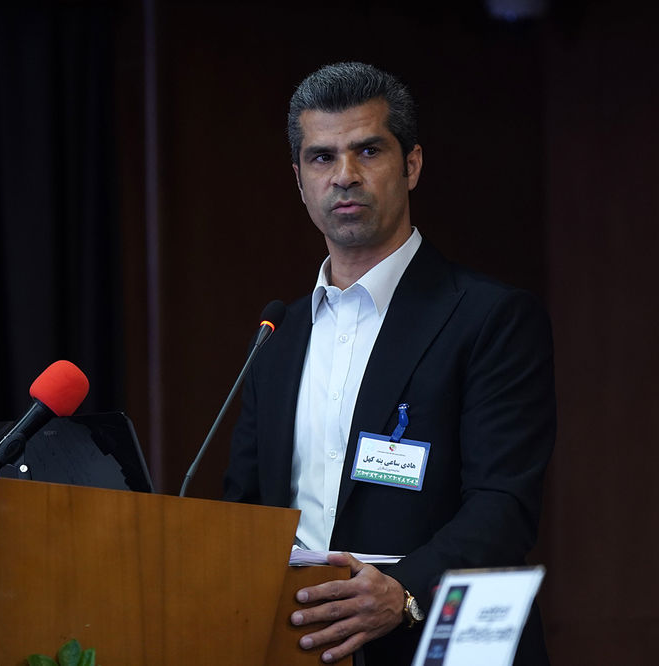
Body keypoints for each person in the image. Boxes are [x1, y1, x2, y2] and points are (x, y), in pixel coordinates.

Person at [223, 62, 555, 664]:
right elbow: (246, 507)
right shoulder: (279, 336)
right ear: (299, 180)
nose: (344, 176)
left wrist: (403, 592)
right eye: (321, 158)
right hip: (298, 641)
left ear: (412, 165)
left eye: (368, 150)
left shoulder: (491, 317)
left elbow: (503, 507)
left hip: (435, 640)